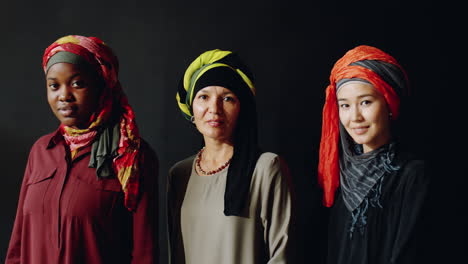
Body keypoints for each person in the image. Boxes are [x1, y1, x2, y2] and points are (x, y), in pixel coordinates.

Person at [5, 35, 158, 264]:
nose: (64, 96)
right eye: (54, 86)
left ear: (102, 85)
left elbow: (144, 253)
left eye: (77, 83)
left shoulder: (132, 154)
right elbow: (18, 244)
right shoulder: (41, 151)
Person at [168, 49, 294, 264]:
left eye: (227, 98)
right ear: (191, 107)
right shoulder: (180, 174)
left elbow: (282, 256)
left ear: (241, 108)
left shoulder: (266, 168)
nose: (214, 109)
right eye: (203, 97)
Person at [317, 45, 429, 264]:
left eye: (365, 102)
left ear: (388, 103)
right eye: (345, 105)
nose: (355, 116)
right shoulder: (342, 176)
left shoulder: (411, 175)